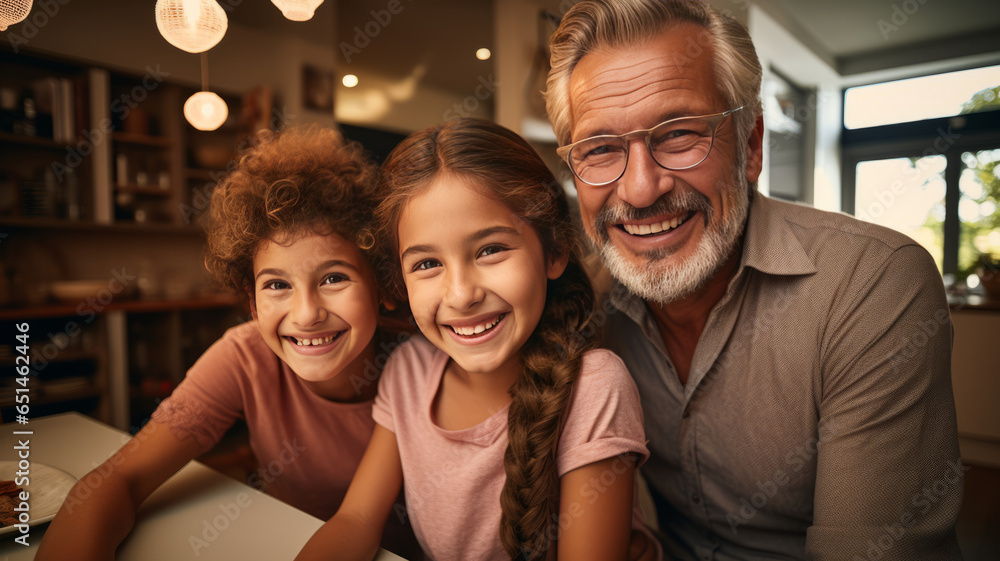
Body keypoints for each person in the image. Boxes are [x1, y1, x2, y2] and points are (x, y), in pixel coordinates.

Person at [544, 1, 964, 560]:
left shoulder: (873, 283)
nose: (641, 190)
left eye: (679, 134)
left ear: (750, 146)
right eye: (599, 149)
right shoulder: (580, 305)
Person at [36, 126, 417, 560]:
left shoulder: (424, 369)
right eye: (277, 285)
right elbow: (118, 480)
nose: (306, 313)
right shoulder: (244, 356)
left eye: (334, 278)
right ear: (252, 305)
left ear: (384, 285)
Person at [296, 118, 658, 561]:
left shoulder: (594, 387)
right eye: (427, 264)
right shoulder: (408, 371)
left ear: (554, 251)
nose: (462, 294)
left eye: (490, 250)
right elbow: (355, 521)